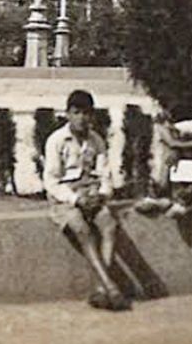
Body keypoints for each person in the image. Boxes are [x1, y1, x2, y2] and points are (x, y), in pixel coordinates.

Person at [43, 89, 129, 311]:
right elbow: (51, 182)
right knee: (82, 229)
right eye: (76, 112)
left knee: (109, 225)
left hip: (91, 194)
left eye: (86, 113)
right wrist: (75, 198)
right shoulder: (56, 140)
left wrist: (102, 194)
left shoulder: (96, 140)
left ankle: (101, 290)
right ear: (68, 114)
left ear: (92, 115)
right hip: (65, 198)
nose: (82, 118)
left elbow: (105, 174)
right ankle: (110, 286)